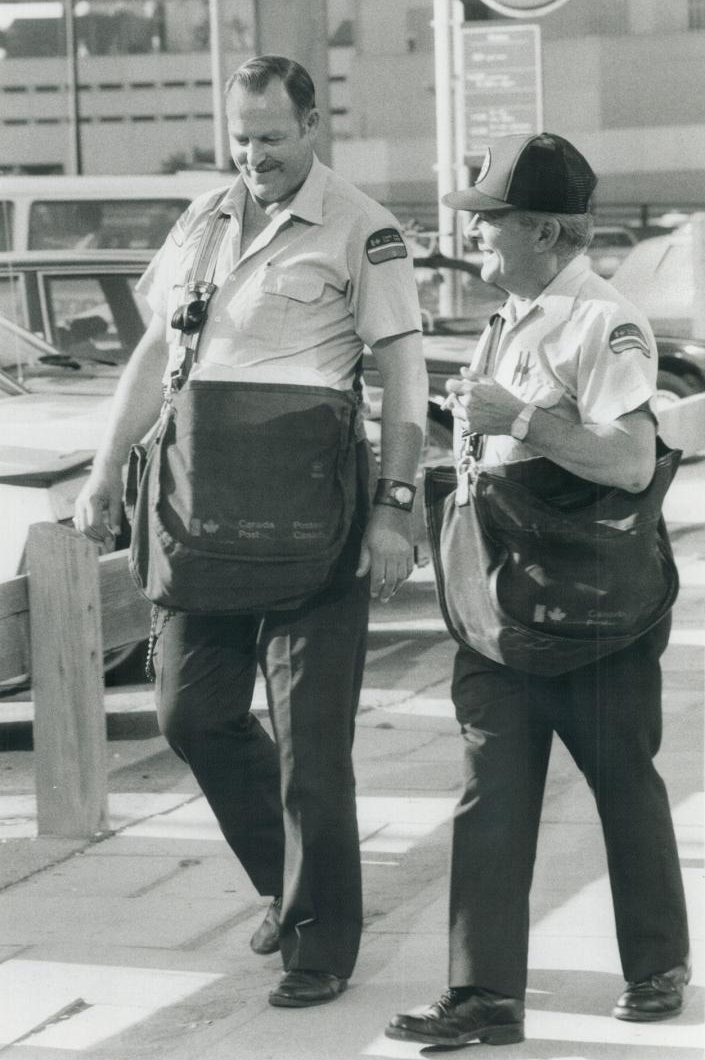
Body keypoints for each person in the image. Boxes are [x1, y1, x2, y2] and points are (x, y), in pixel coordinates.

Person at [74, 55, 428, 1008]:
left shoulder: (365, 228)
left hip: (314, 520)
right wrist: (106, 469)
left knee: (312, 746)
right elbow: (157, 348)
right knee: (190, 713)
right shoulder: (206, 216)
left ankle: (321, 942)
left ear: (313, 127)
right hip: (202, 512)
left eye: (273, 137)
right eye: (241, 136)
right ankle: (288, 882)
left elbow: (403, 378)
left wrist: (397, 504)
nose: (254, 155)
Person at [386, 132, 690, 1048]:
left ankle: (656, 965)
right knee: (491, 793)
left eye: (492, 225)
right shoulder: (509, 316)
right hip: (503, 609)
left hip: (594, 613)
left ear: (549, 232)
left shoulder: (605, 322)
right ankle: (484, 996)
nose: (477, 241)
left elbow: (633, 462)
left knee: (622, 787)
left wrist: (515, 416)